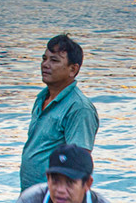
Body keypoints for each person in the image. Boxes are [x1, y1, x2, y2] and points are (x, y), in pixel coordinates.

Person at [19, 34, 99, 192]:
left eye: (54, 60)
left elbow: (79, 161)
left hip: (55, 196)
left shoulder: (79, 108)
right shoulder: (42, 98)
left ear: (73, 69)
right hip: (30, 193)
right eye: (44, 59)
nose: (45, 65)